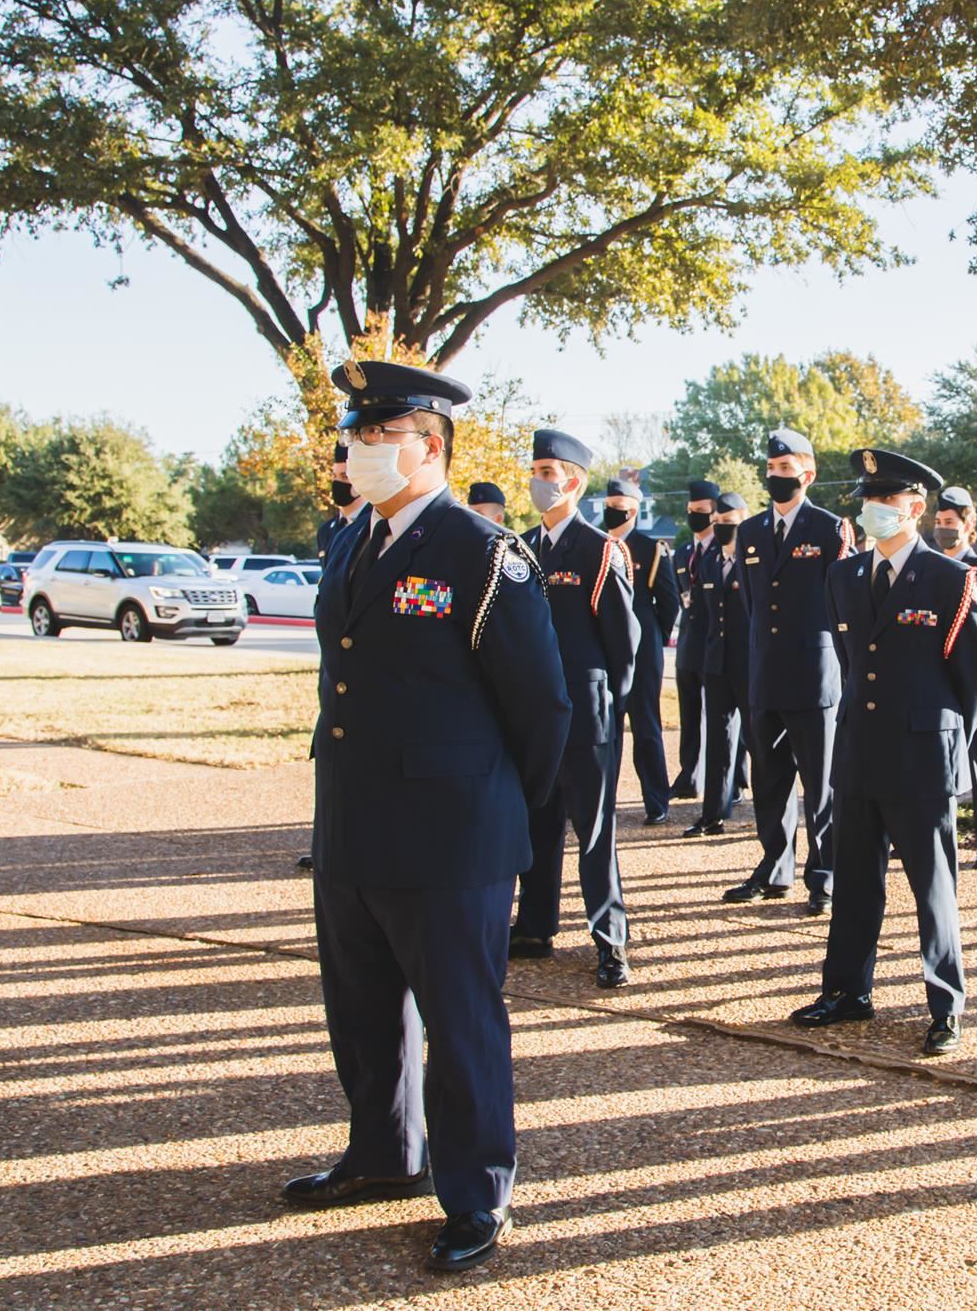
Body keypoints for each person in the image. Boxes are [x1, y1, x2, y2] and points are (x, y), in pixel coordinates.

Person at [287, 359, 571, 1272]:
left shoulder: (481, 552)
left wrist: (496, 817)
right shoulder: (351, 539)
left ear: (430, 444)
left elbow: (543, 708)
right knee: (362, 1011)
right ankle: (382, 1152)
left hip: (453, 837)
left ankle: (478, 1192)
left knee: (460, 1025)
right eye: (357, 437)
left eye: (380, 436)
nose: (362, 452)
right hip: (356, 823)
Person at [792, 449, 977, 1054]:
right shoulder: (844, 577)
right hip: (859, 751)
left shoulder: (952, 580)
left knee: (933, 887)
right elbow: (857, 665)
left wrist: (940, 739)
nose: (873, 510)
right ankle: (848, 991)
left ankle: (945, 1003)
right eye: (868, 499)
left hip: (920, 756)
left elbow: (975, 683)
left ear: (915, 507)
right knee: (855, 881)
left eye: (886, 500)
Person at [510, 430, 640, 989]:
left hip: (588, 715)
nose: (540, 480)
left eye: (549, 470)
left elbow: (624, 646)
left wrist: (611, 708)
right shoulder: (519, 548)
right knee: (536, 825)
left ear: (574, 480)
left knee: (593, 831)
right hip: (533, 715)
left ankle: (609, 940)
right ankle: (534, 928)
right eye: (535, 469)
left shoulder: (598, 550)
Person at [723, 429, 855, 915]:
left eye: (786, 469)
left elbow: (842, 600)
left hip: (814, 675)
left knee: (820, 784)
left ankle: (824, 874)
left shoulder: (829, 529)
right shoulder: (751, 531)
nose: (776, 476)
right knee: (770, 780)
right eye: (772, 469)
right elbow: (753, 601)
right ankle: (774, 867)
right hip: (766, 674)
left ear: (808, 474)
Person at [301, 442, 368, 871]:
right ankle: (326, 839)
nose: (340, 485)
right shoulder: (330, 530)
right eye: (336, 477)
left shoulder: (372, 526)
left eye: (347, 478)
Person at [932, 485, 977, 869]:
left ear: (968, 524)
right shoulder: (927, 565)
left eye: (950, 522)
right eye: (939, 521)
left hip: (975, 681)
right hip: (935, 681)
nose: (943, 529)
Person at [601, 476, 680, 825]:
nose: (610, 513)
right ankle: (603, 800)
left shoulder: (650, 549)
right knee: (606, 725)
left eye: (617, 508)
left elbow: (669, 601)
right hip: (604, 643)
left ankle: (656, 800)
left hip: (642, 645)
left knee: (645, 725)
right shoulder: (596, 545)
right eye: (608, 506)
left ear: (633, 510)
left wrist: (653, 639)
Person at [685, 492, 754, 836]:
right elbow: (704, 616)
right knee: (718, 740)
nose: (725, 529)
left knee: (759, 741)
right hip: (717, 662)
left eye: (731, 523)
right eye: (720, 523)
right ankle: (713, 814)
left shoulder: (755, 561)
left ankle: (768, 817)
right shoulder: (709, 560)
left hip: (750, 663)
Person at [670, 479, 722, 803]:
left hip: (717, 643)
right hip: (689, 643)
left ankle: (732, 779)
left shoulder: (724, 550)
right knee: (689, 714)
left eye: (701, 511)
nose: (695, 516)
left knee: (720, 717)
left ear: (715, 514)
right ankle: (689, 773)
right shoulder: (682, 552)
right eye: (691, 511)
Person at [315, 442, 367, 559]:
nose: (337, 483)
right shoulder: (325, 531)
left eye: (345, 476)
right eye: (334, 476)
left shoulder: (375, 523)